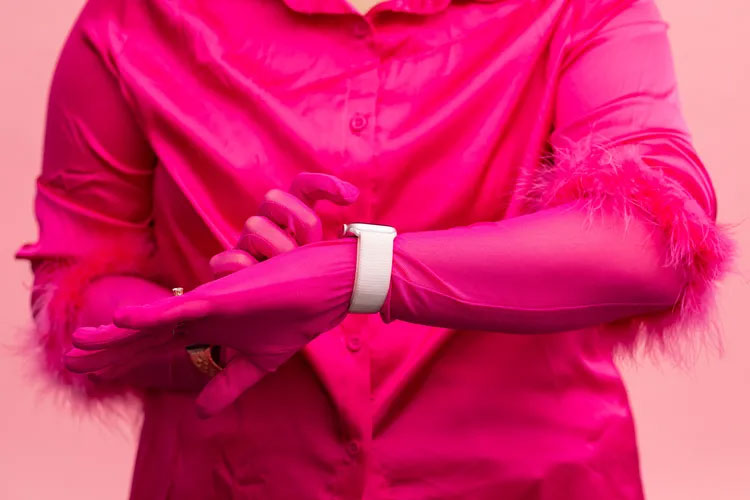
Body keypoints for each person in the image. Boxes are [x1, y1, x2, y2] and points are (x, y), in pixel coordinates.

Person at [15, 0, 737, 498]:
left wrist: (358, 273)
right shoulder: (136, 19)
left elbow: (655, 238)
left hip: (533, 482)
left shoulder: (578, 8)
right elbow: (73, 296)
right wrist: (212, 335)